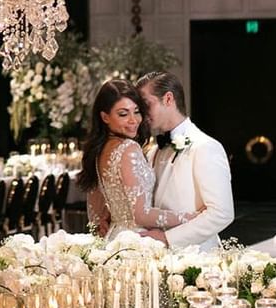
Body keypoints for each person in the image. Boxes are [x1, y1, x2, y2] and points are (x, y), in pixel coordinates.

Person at [78, 79, 202, 240]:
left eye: (136, 111)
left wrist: (104, 220)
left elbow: (95, 215)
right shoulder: (128, 149)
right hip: (137, 239)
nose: (133, 120)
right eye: (123, 114)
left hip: (115, 237)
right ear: (105, 117)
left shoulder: (98, 151)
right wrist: (190, 218)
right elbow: (141, 215)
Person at [135, 70, 234, 251]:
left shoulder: (206, 147)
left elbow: (222, 213)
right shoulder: (153, 151)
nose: (141, 114)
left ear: (168, 99)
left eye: (146, 104)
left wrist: (167, 238)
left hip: (196, 258)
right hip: (156, 256)